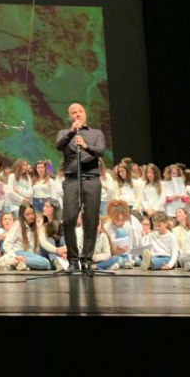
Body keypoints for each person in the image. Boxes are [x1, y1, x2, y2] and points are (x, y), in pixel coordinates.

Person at [55, 102, 106, 275]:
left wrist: (85, 146)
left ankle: (87, 259)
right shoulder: (64, 133)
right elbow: (58, 145)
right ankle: (73, 259)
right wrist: (71, 132)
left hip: (92, 179)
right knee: (69, 219)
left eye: (80, 111)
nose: (77, 114)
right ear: (70, 116)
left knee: (91, 221)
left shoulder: (96, 133)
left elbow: (101, 150)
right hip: (72, 179)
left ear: (85, 114)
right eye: (73, 112)